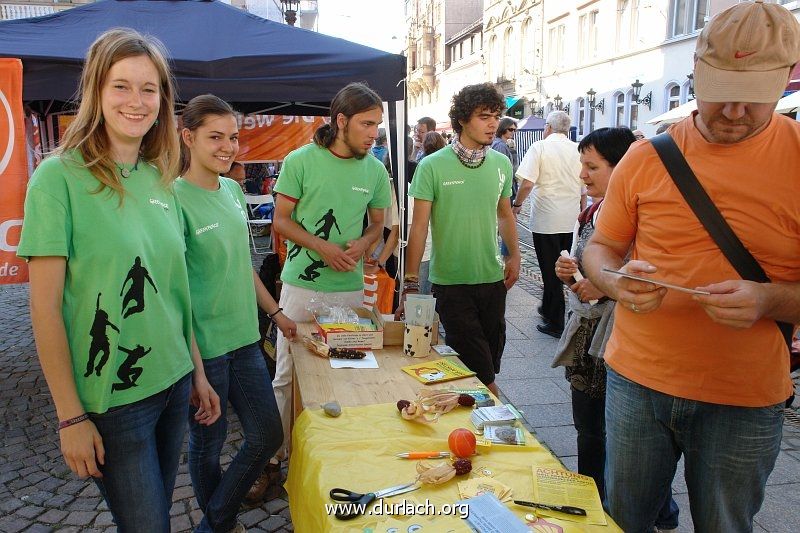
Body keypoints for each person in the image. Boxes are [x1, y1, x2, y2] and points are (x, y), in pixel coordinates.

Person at [582, 2, 800, 530]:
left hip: (744, 397)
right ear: (697, 74)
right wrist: (614, 281)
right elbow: (600, 248)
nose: (733, 113)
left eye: (753, 99)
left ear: (784, 81)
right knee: (621, 519)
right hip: (637, 380)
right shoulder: (646, 156)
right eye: (720, 93)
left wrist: (768, 299)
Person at [17, 28, 219, 532]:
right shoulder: (57, 178)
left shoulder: (161, 175)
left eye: (149, 89)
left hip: (173, 383)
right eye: (121, 86)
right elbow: (44, 308)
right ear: (95, 92)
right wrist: (70, 416)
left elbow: (175, 292)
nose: (136, 101)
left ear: (163, 100)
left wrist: (196, 370)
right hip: (113, 398)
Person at [175, 94, 297, 532]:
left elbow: (240, 265)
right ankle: (219, 525)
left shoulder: (230, 189)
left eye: (233, 137)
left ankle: (213, 523)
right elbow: (175, 292)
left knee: (267, 434)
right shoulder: (172, 198)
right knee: (206, 447)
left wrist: (277, 312)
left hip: (245, 339)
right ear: (188, 137)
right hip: (203, 349)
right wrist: (195, 372)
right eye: (215, 137)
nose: (228, 147)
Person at [551, 128, 680, 530]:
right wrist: (568, 276)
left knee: (625, 442)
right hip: (590, 340)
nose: (583, 176)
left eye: (592, 167)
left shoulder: (648, 218)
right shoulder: (592, 214)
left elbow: (655, 279)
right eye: (582, 166)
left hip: (621, 345)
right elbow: (583, 282)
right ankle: (602, 505)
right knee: (591, 431)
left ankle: (620, 510)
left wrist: (609, 286)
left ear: (624, 169)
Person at [267, 81, 391, 478]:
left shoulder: (374, 168)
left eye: (378, 125)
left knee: (346, 371)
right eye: (367, 124)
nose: (374, 133)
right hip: (300, 288)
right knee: (287, 374)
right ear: (341, 121)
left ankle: (336, 453)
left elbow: (378, 223)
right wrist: (324, 248)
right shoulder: (300, 161)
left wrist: (365, 245)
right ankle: (272, 456)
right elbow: (281, 222)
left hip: (349, 289)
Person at [400, 83, 520, 396]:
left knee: (489, 362)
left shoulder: (501, 164)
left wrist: (515, 256)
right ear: (463, 120)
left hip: (492, 280)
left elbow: (505, 213)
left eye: (495, 116)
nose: (493, 123)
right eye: (484, 116)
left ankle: (471, 418)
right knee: (479, 367)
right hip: (451, 283)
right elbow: (419, 228)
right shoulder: (432, 166)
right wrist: (411, 282)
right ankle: (504, 420)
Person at [513, 111, 583, 338]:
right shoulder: (577, 149)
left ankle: (555, 321)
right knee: (571, 268)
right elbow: (584, 188)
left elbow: (527, 183)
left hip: (547, 219)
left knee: (550, 270)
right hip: (571, 217)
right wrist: (582, 212)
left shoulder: (540, 147)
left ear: (549, 127)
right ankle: (556, 310)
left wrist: (517, 204)